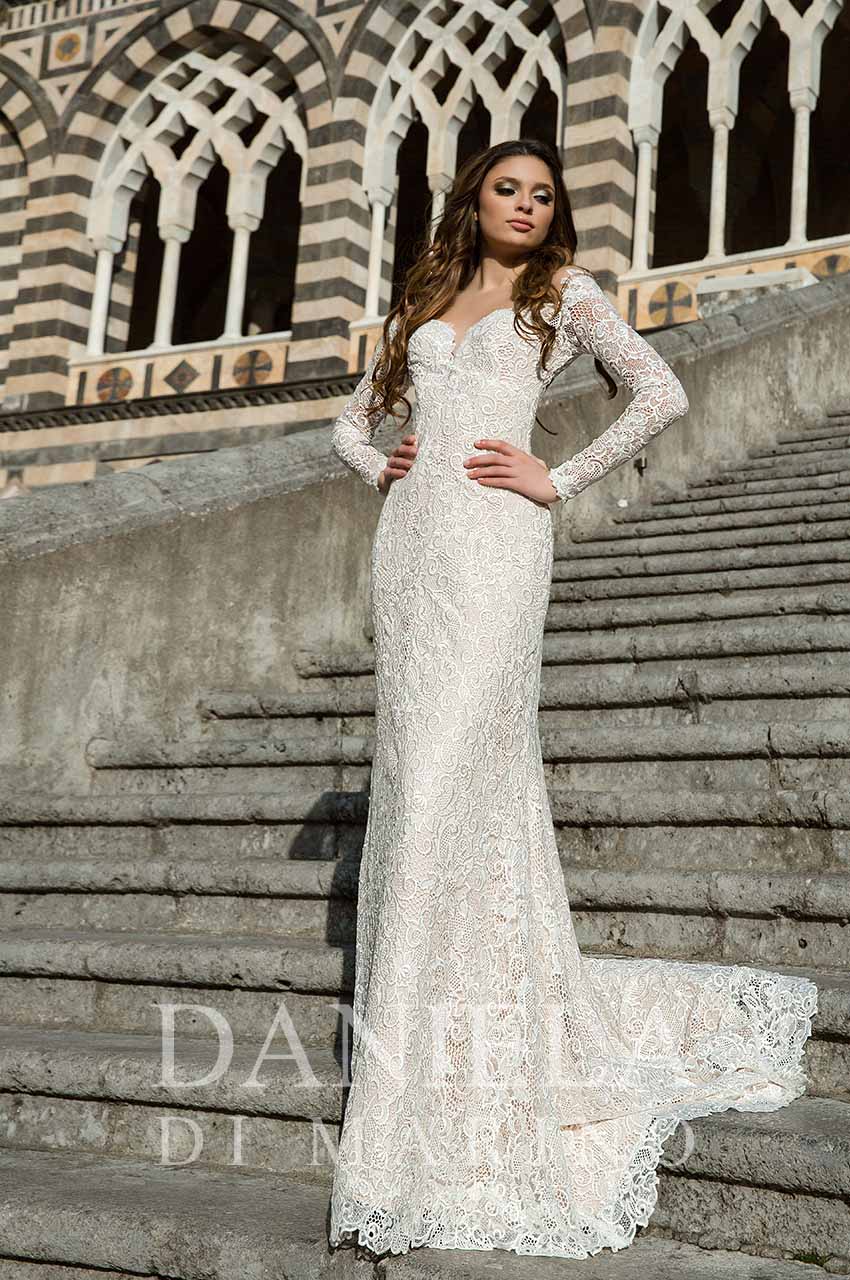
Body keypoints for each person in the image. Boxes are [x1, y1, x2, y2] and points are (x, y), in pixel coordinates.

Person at [326, 138, 817, 1261]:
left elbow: (660, 390)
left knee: (449, 782)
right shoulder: (423, 304)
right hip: (413, 551)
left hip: (500, 544)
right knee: (415, 791)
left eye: (543, 195)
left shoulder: (565, 295)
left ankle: (437, 1070)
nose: (527, 205)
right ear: (474, 198)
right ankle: (424, 1035)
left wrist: (559, 476)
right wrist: (381, 466)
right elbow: (349, 423)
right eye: (509, 188)